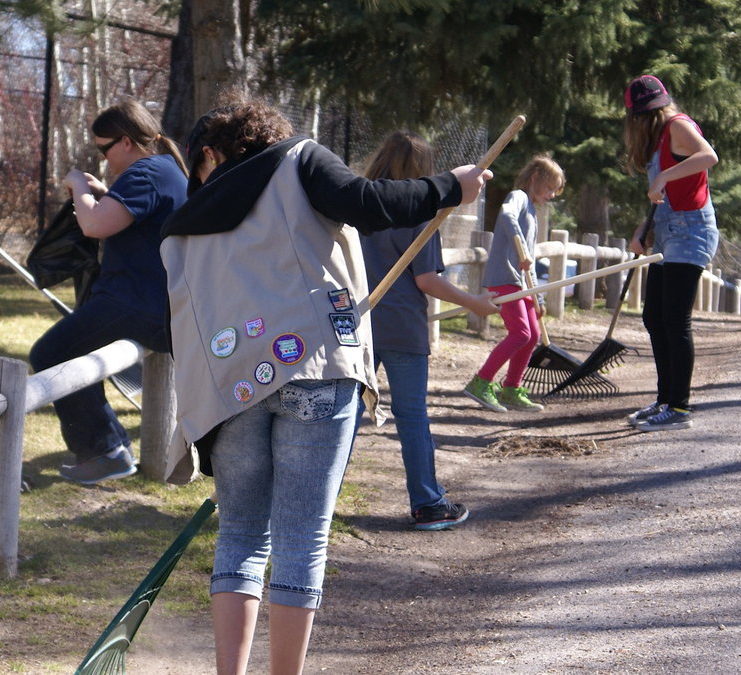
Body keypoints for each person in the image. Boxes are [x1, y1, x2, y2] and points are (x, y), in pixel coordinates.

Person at [161, 99, 491, 675]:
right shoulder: (299, 160)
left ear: (212, 153)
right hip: (316, 368)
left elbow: (172, 318)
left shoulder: (183, 225)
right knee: (300, 539)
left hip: (232, 389)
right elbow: (368, 202)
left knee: (240, 535)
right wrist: (449, 187)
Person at [28, 99, 187, 485]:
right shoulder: (166, 169)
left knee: (50, 353)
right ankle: (110, 445)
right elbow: (128, 217)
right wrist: (102, 191)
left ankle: (104, 451)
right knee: (67, 349)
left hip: (137, 303)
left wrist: (80, 187)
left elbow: (95, 225)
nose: (104, 159)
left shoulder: (144, 173)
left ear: (127, 141)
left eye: (105, 149)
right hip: (159, 305)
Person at [358, 131, 497, 531]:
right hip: (403, 330)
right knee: (412, 417)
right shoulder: (421, 214)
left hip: (358, 326)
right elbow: (426, 280)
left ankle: (316, 500)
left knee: (346, 414)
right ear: (422, 170)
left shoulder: (359, 207)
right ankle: (428, 504)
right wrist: (474, 303)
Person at [623, 75, 719, 432]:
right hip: (667, 231)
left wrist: (663, 177)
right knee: (654, 317)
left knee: (675, 320)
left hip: (690, 231)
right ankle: (665, 399)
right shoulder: (658, 137)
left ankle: (679, 407)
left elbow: (708, 156)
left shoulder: (677, 125)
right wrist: (642, 230)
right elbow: (661, 196)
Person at [463, 155, 566, 413]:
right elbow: (507, 215)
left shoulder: (532, 210)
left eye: (555, 190)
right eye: (549, 188)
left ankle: (511, 388)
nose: (552, 195)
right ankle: (480, 382)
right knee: (521, 333)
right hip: (504, 277)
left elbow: (528, 261)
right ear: (535, 178)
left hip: (521, 283)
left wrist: (538, 298)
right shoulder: (518, 197)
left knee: (532, 335)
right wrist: (521, 247)